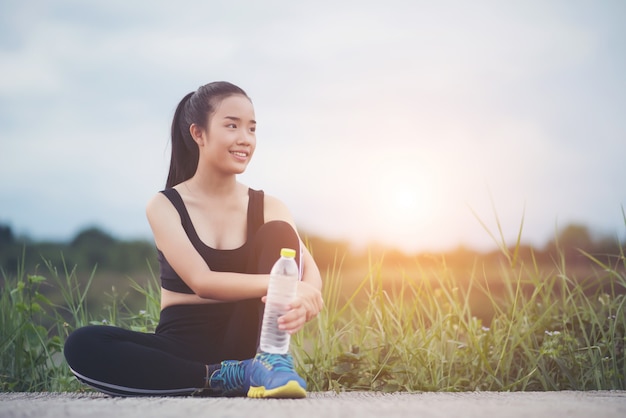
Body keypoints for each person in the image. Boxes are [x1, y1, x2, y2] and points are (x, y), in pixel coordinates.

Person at [63, 81, 324, 398]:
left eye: (252, 129)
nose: (245, 139)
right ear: (198, 133)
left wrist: (309, 296)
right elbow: (202, 281)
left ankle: (266, 361)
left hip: (248, 338)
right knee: (83, 344)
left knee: (280, 234)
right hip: (181, 348)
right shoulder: (165, 206)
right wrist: (284, 285)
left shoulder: (269, 206)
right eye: (232, 125)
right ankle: (219, 376)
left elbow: (307, 271)